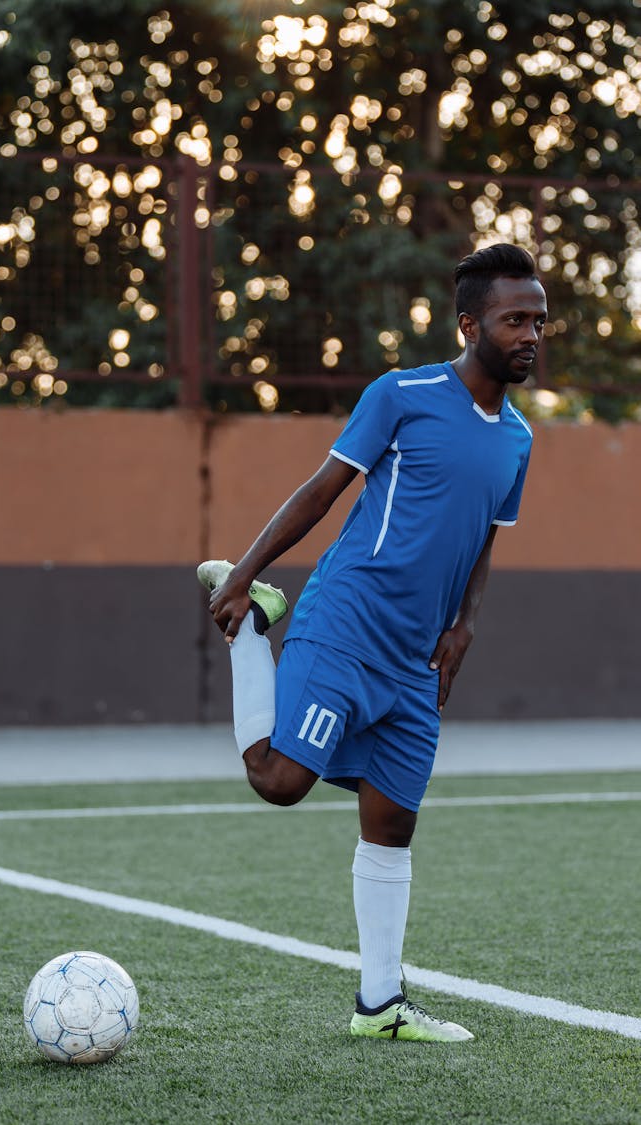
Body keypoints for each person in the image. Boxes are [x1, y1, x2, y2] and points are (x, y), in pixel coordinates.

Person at [197, 242, 546, 1042]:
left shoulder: (519, 438)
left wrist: (465, 626)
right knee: (280, 778)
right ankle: (253, 634)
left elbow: (487, 542)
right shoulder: (403, 394)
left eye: (539, 321)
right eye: (514, 318)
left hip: (415, 660)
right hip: (346, 622)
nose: (531, 334)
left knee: (392, 823)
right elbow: (322, 490)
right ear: (469, 324)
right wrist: (245, 575)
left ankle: (380, 1005)